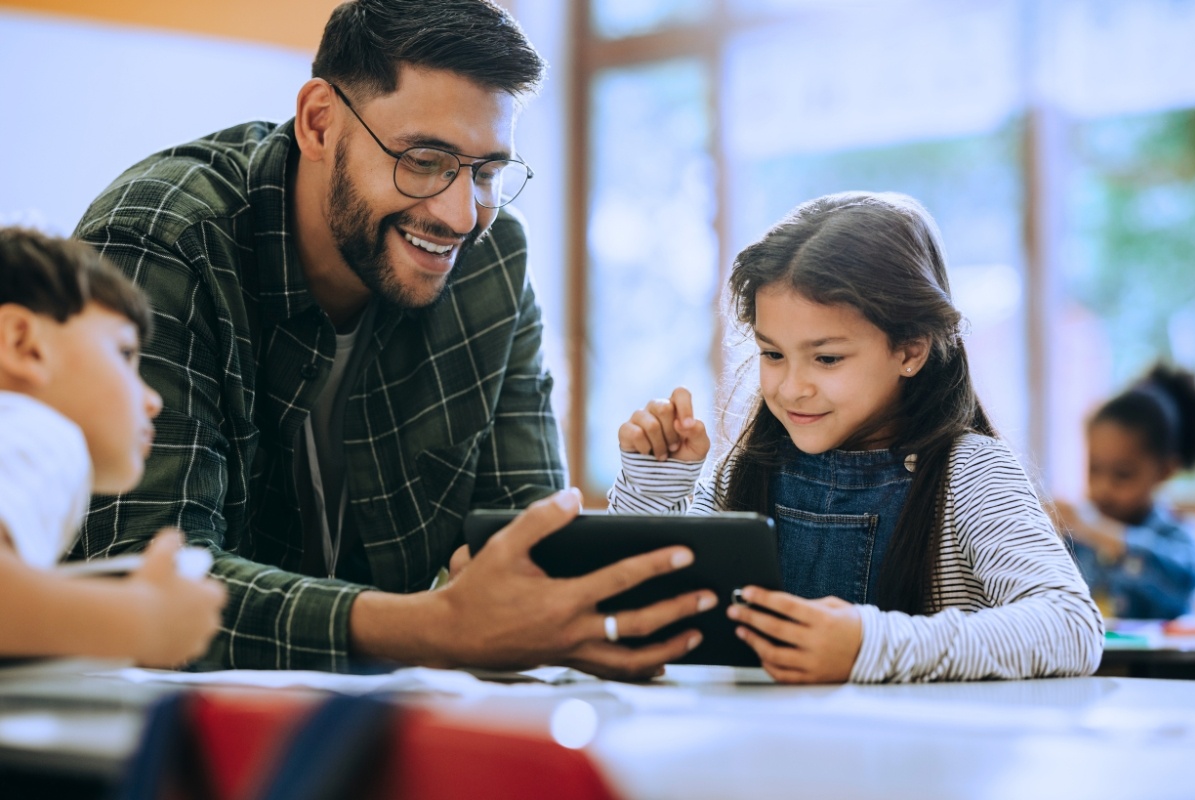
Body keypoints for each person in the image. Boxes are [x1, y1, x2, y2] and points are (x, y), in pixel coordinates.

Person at [71, 0, 712, 677]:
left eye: (488, 172)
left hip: (383, 728)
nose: (461, 214)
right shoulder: (165, 240)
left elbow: (528, 556)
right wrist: (434, 628)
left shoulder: (490, 265)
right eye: (426, 159)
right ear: (319, 122)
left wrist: (559, 614)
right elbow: (140, 582)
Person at [609, 191, 1105, 683]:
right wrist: (656, 486)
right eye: (772, 354)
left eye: (827, 358)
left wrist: (868, 646)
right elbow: (637, 618)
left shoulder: (971, 474)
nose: (790, 388)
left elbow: (1072, 626)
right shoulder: (747, 470)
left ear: (910, 350)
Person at [0, 227, 225, 667]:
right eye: (125, 354)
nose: (153, 399)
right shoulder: (39, 432)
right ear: (23, 345)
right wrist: (145, 619)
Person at [1047, 364, 1195, 620]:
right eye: (1094, 469)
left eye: (1122, 475)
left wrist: (1100, 531)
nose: (1103, 488)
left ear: (1165, 472)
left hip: (1158, 661)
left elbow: (1182, 580)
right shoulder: (1076, 538)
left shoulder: (1177, 539)